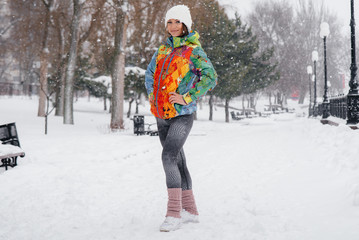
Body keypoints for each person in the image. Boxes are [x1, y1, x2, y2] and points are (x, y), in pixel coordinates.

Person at [145, 4, 217, 232]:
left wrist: (187, 97)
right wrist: (153, 96)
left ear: (185, 24)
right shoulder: (162, 50)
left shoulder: (194, 51)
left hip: (182, 116)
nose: (173, 26)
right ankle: (190, 211)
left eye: (177, 22)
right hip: (161, 115)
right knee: (177, 160)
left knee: (168, 156)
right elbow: (149, 74)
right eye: (169, 22)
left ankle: (173, 214)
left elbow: (210, 78)